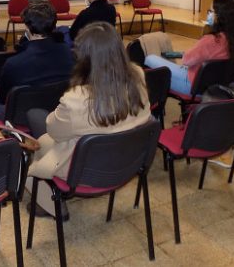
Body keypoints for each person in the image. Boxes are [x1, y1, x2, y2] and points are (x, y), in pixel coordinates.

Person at [26, 21, 151, 216]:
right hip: (128, 161)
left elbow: (54, 130)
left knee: (39, 144)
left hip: (85, 170)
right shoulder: (138, 76)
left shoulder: (76, 99)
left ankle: (53, 204)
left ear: (86, 60)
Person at [0, 2, 74, 119]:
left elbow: (2, 99)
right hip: (57, 106)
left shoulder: (14, 63)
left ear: (28, 28)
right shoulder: (69, 53)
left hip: (19, 112)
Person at [144, 0, 234, 95]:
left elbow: (186, 60)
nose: (208, 14)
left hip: (192, 85)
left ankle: (153, 98)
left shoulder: (211, 40)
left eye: (210, 11)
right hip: (217, 88)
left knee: (150, 58)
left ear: (219, 17)